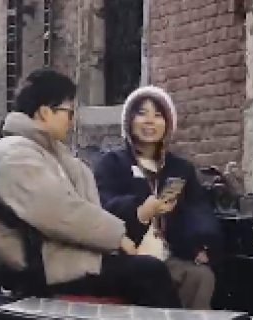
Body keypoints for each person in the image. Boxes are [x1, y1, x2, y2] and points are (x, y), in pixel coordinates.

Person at [0, 69, 180, 308]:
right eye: (69, 112)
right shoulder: (14, 154)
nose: (71, 121)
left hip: (65, 257)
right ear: (45, 112)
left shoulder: (51, 153)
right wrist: (117, 237)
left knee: (155, 270)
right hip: (46, 267)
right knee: (151, 273)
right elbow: (60, 211)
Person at [94, 87, 222, 309]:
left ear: (168, 124)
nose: (150, 121)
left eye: (158, 115)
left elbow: (197, 209)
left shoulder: (180, 168)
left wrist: (201, 244)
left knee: (201, 277)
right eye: (142, 113)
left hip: (169, 254)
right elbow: (104, 205)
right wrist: (140, 211)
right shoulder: (112, 163)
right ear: (129, 121)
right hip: (129, 255)